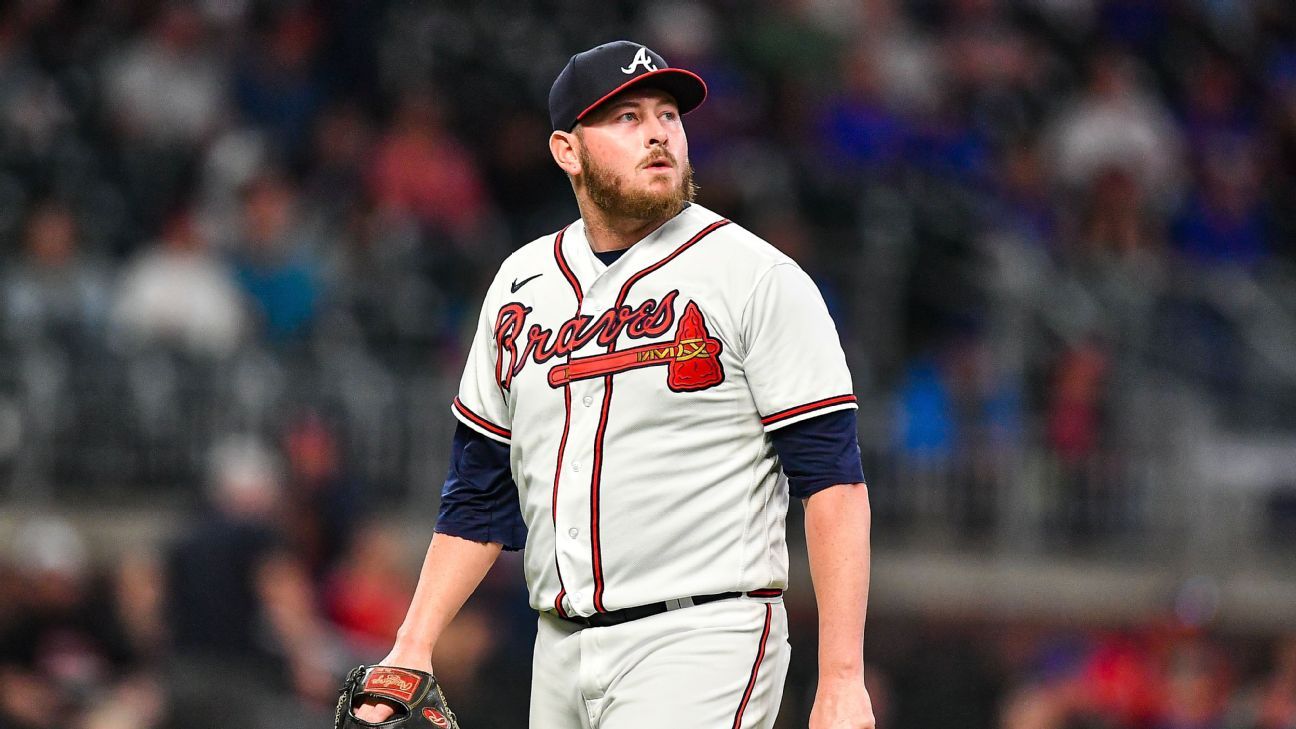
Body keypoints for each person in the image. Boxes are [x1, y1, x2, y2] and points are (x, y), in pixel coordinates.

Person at [354, 40, 875, 729]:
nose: (658, 131)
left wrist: (842, 677)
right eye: (626, 118)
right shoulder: (521, 283)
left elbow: (833, 480)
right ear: (567, 151)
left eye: (668, 114)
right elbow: (479, 490)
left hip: (702, 635)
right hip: (559, 645)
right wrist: (414, 642)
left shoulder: (756, 277)